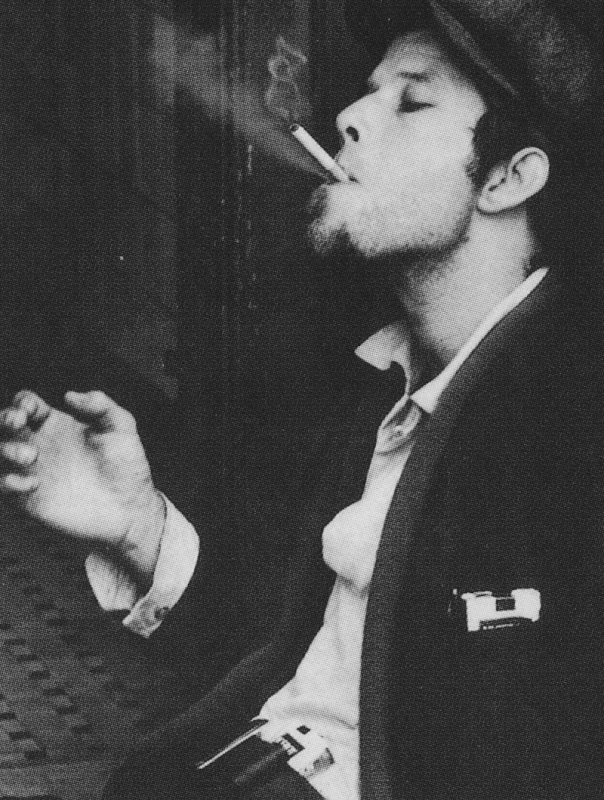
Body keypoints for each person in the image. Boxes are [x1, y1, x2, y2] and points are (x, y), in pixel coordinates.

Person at [1, 0, 604, 797]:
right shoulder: (383, 381)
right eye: (369, 90)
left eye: (411, 101)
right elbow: (307, 646)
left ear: (508, 177)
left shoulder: (568, 428)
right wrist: (136, 524)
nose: (351, 116)